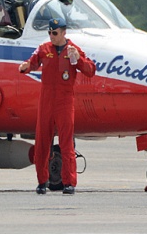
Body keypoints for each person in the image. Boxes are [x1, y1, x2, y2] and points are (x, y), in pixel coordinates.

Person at [19, 17, 96, 195]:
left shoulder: (73, 50)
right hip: (46, 101)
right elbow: (33, 62)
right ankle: (41, 181)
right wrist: (26, 67)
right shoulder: (44, 49)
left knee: (66, 144)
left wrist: (79, 60)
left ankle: (69, 183)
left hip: (64, 102)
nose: (52, 36)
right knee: (42, 143)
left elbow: (90, 70)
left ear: (63, 32)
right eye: (50, 33)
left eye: (55, 33)